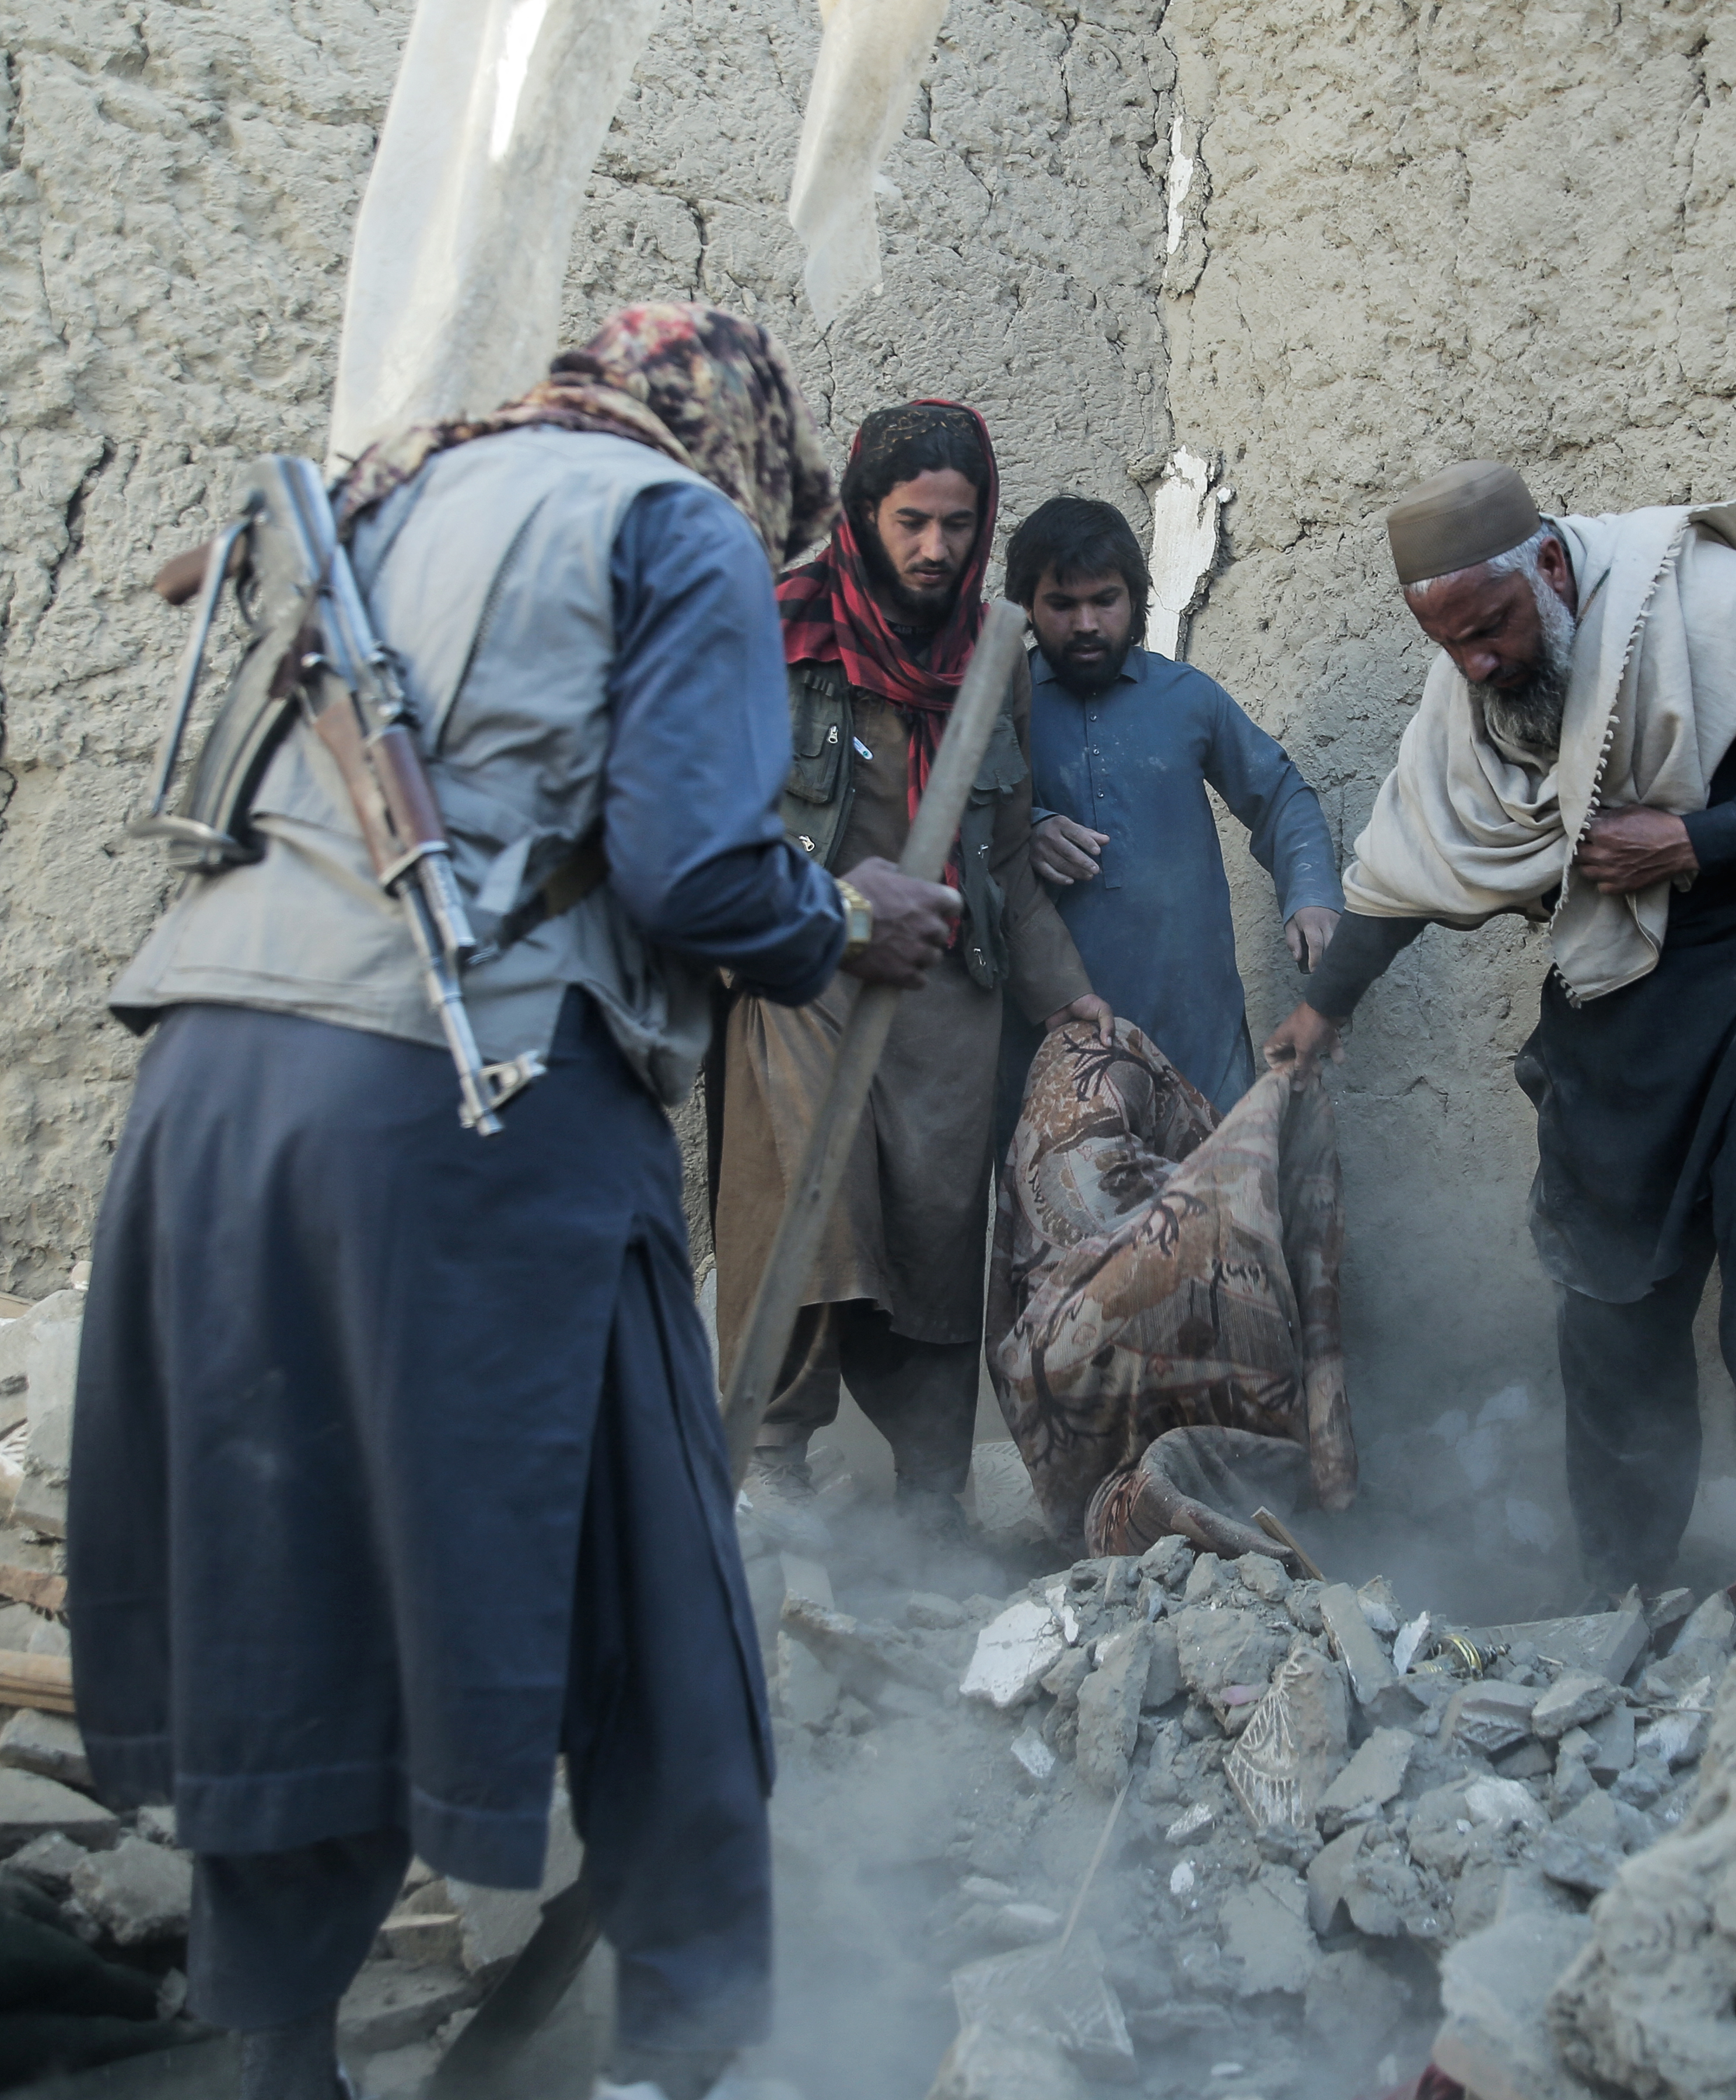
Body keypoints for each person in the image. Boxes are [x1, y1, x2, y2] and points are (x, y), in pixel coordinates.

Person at [76, 305, 959, 2100]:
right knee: (659, 1591)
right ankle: (683, 2050)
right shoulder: (672, 519)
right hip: (463, 1101)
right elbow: (698, 871)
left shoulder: (383, 492)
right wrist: (850, 921)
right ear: (747, 443)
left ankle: (286, 2064)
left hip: (208, 1091)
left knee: (291, 1571)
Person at [1264, 461, 1736, 1608]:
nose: (1478, 665)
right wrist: (1323, 1012)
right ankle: (1624, 1589)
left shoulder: (1712, 607)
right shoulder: (1466, 694)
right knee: (1607, 1292)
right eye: (1452, 643)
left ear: (1553, 568)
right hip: (1629, 984)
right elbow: (1406, 872)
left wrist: (1698, 841)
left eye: (1492, 629)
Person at [712, 403, 1105, 1515]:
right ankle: (773, 1471)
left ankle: (931, 1510)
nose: (934, 548)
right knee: (812, 1209)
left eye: (958, 524)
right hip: (803, 973)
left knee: (938, 1245)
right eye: (910, 522)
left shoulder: (996, 657)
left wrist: (1078, 1006)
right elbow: (709, 835)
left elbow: (1012, 865)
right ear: (861, 515)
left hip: (945, 1005)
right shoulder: (775, 635)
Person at [1006, 495, 1340, 1114]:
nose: (1085, 623)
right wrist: (1026, 827)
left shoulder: (1189, 699)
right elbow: (957, 825)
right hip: (1058, 1038)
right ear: (1028, 606)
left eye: (1104, 599)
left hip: (1197, 1031)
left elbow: (1280, 796)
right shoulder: (1004, 710)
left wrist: (1312, 894)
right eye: (1062, 603)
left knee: (1212, 1205)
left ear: (1134, 600)